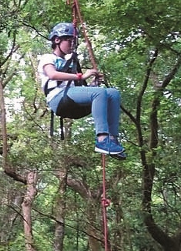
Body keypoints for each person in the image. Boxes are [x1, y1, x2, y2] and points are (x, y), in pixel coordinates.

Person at [37, 22, 126, 158]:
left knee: (113, 93)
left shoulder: (71, 62)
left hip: (71, 99)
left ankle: (112, 140)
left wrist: (92, 84)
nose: (72, 44)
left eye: (74, 41)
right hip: (58, 99)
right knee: (99, 92)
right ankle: (102, 140)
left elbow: (76, 89)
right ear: (57, 40)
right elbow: (52, 74)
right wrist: (81, 75)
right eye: (69, 40)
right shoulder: (48, 58)